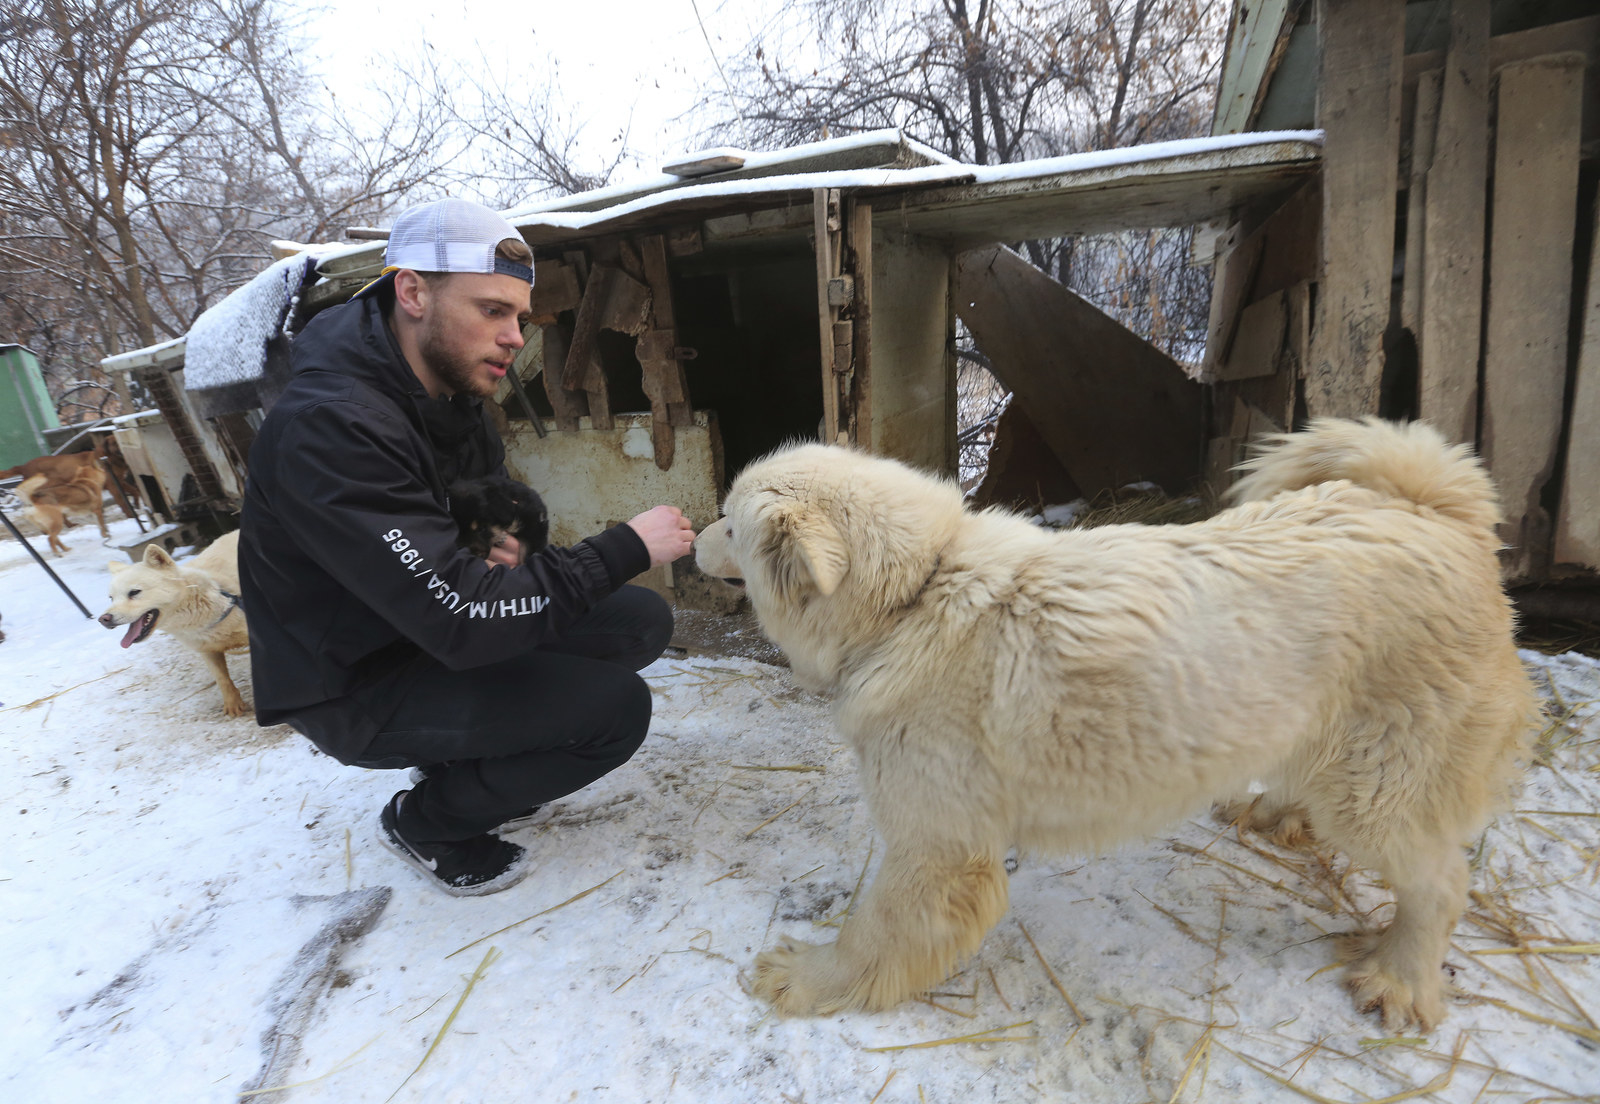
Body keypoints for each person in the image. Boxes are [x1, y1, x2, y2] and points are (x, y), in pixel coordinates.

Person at [238, 197, 695, 896]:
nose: (514, 337)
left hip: (416, 629)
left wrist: (505, 542)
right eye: (491, 310)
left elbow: (486, 518)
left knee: (639, 620)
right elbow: (459, 616)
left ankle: (472, 761)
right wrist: (623, 546)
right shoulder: (332, 426)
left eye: (518, 317)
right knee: (616, 711)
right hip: (353, 679)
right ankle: (428, 822)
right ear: (413, 292)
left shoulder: (449, 398)